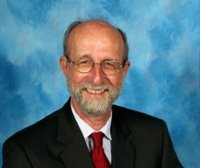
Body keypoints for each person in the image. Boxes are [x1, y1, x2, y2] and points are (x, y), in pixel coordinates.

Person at [2, 19, 183, 168]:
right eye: (84, 62)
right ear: (66, 67)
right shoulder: (25, 151)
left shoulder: (154, 136)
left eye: (109, 64)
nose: (97, 79)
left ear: (124, 71)